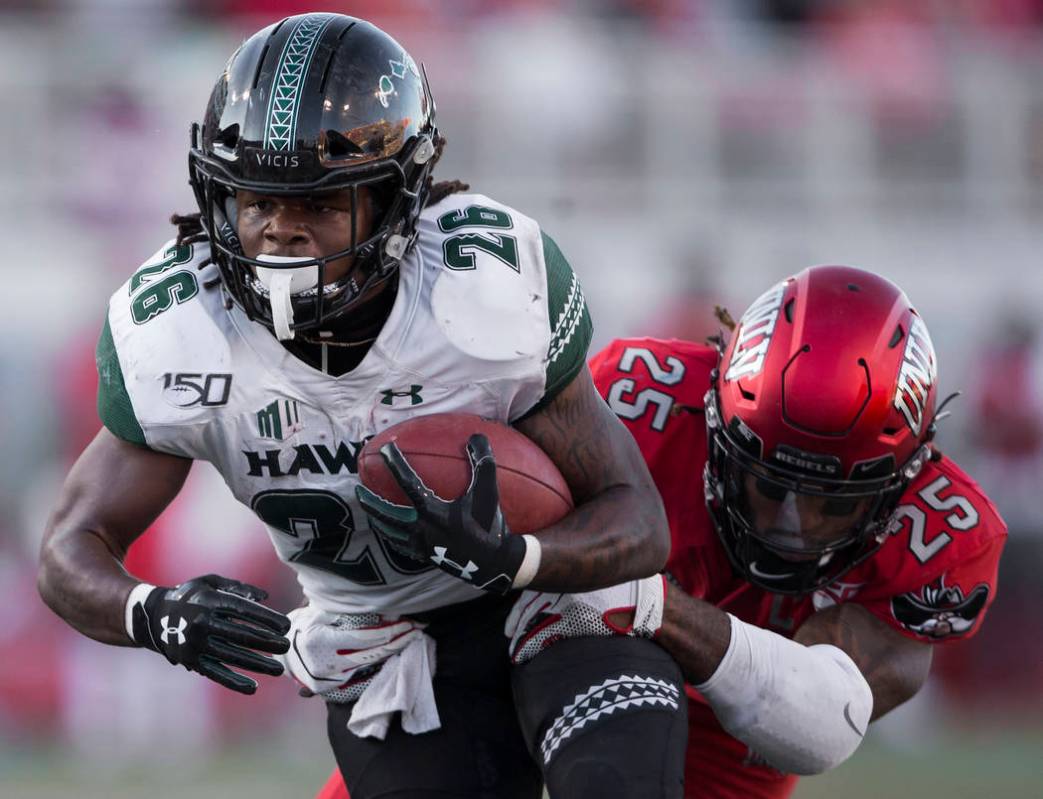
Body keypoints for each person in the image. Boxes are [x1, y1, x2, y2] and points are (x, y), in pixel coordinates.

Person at [37, 13, 688, 799]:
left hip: (554, 607)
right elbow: (70, 546)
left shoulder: (478, 291)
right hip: (382, 650)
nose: (278, 231)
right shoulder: (182, 330)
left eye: (314, 205)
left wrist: (516, 556)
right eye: (254, 201)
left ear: (393, 202)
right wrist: (153, 611)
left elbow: (637, 521)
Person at [502, 265, 1006, 799]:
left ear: (899, 484)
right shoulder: (637, 400)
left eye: (830, 502)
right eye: (770, 486)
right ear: (715, 425)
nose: (793, 523)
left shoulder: (944, 537)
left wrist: (649, 603)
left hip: (736, 732)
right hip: (577, 651)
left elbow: (816, 717)